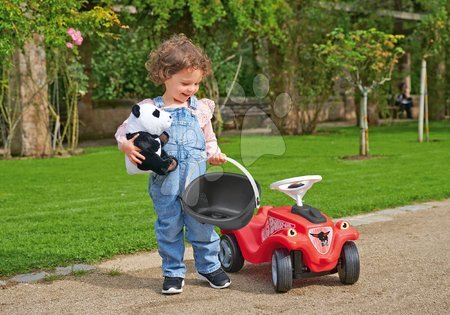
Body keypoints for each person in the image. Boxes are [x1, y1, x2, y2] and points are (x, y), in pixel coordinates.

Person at [115, 34, 229, 294]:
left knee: (203, 225)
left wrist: (215, 154)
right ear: (165, 75)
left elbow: (209, 140)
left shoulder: (198, 109)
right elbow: (123, 131)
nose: (191, 89)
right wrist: (126, 145)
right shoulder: (149, 109)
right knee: (169, 227)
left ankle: (209, 266)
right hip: (165, 185)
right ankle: (173, 272)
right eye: (185, 83)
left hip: (197, 183)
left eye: (197, 83)